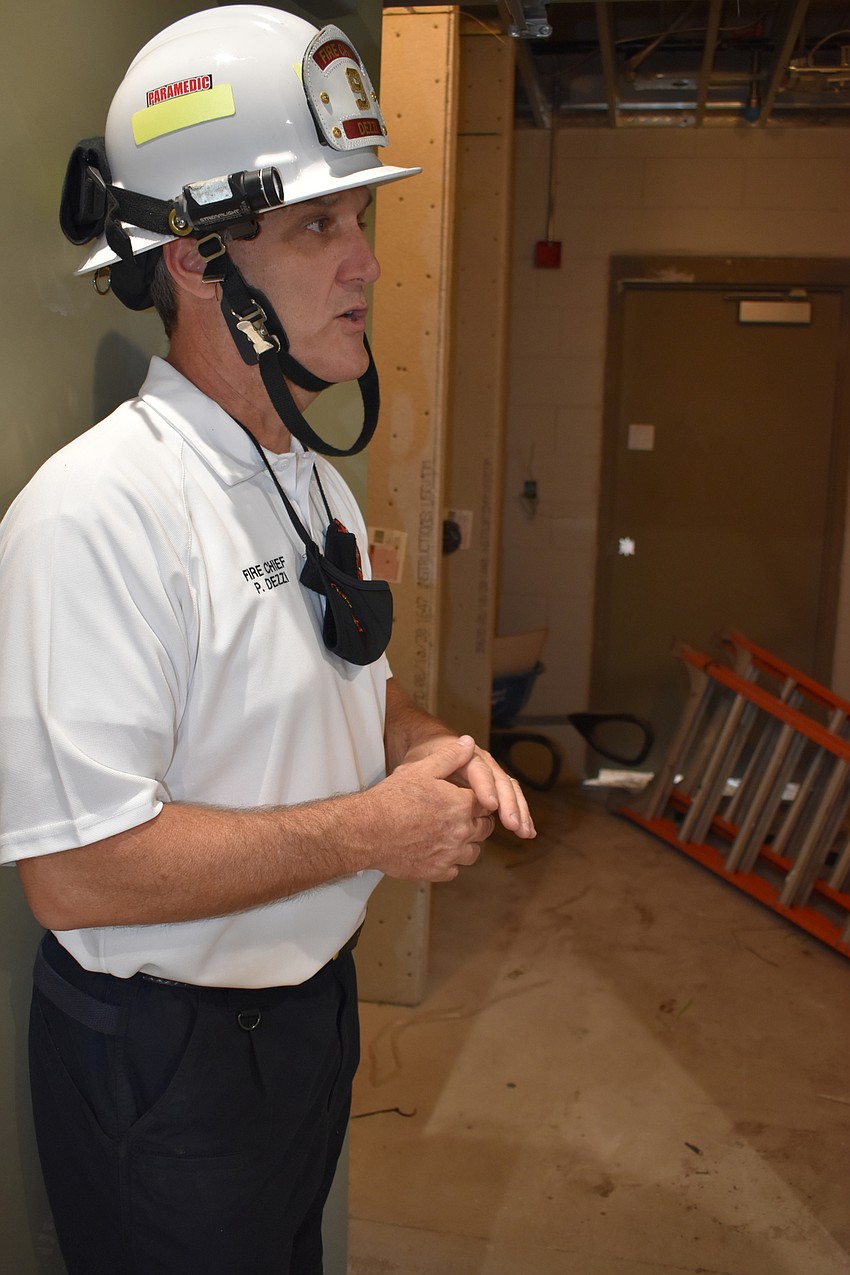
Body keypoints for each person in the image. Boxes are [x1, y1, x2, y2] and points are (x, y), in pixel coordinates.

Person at [0, 7, 535, 1274]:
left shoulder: (310, 479)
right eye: (315, 227)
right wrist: (374, 831)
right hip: (167, 1057)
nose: (365, 263)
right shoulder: (95, 514)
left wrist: (427, 743)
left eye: (358, 220)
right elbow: (76, 876)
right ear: (196, 261)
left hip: (301, 1018)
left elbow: (346, 681)